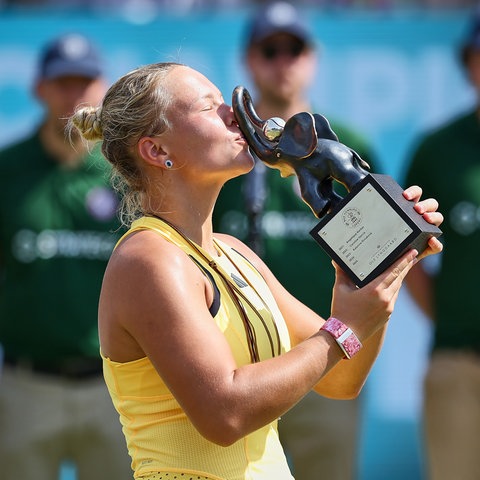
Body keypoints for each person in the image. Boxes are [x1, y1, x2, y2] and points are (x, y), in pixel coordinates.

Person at [68, 61, 443, 480]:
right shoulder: (149, 260)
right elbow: (225, 415)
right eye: (209, 106)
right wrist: (344, 329)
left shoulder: (234, 253)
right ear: (158, 151)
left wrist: (381, 267)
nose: (233, 111)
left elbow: (342, 381)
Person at [213, 2, 380, 478]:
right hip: (237, 365)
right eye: (270, 49)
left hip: (325, 356)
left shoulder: (346, 143)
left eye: (294, 49)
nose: (283, 60)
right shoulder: (227, 149)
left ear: (313, 58)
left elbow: (377, 256)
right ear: (250, 58)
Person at [0, 33, 131, 479]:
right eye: (63, 82)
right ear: (39, 88)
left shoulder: (127, 176)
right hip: (26, 385)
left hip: (114, 388)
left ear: (104, 88)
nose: (75, 96)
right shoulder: (6, 171)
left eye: (85, 81)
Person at [403, 10, 480, 480]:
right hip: (458, 362)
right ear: (469, 63)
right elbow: (406, 253)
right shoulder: (438, 150)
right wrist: (450, 316)